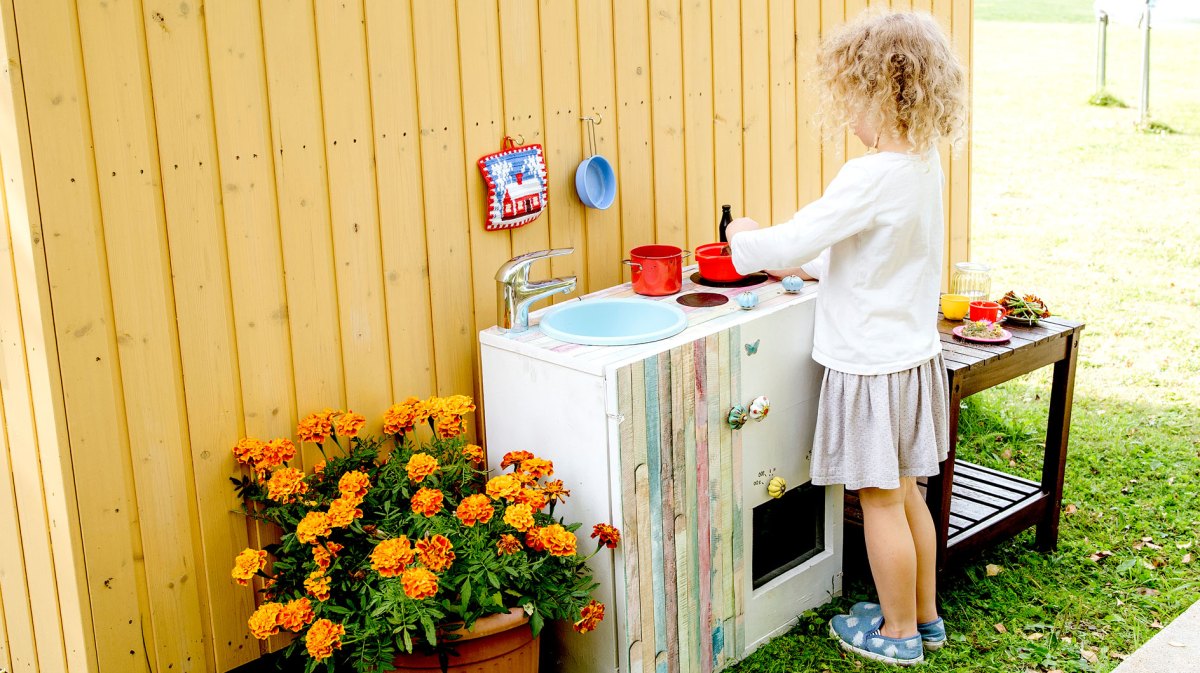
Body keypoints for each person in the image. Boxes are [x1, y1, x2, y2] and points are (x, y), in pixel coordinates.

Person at [725, 9, 968, 667]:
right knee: (909, 493)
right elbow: (878, 252)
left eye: (853, 98)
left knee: (880, 501)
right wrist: (818, 266)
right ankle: (924, 617)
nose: (849, 115)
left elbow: (794, 239)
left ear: (884, 94)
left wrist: (742, 237)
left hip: (870, 367)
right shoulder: (923, 164)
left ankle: (897, 633)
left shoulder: (870, 175)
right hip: (912, 358)